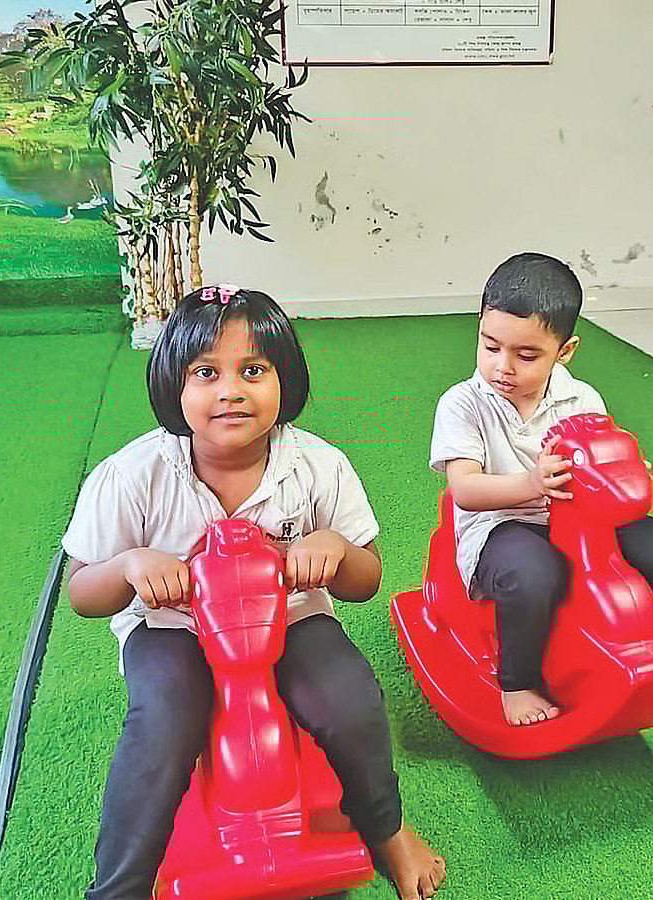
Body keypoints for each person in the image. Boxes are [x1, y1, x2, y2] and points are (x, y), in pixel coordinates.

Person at [63, 284, 446, 899]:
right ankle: (120, 887)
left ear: (283, 379)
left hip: (292, 618)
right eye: (206, 373)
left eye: (254, 370)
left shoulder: (319, 466)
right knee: (162, 722)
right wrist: (131, 566)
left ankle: (389, 829)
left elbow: (367, 580)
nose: (231, 391)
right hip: (174, 628)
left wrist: (337, 551)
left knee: (352, 704)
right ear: (173, 386)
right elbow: (83, 591)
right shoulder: (133, 474)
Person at [429, 253, 653, 726]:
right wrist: (531, 483)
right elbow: (464, 490)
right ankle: (518, 681)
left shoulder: (581, 399)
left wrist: (625, 472)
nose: (503, 367)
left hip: (575, 522)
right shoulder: (463, 403)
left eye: (526, 355)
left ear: (565, 351)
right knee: (533, 571)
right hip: (499, 524)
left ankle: (593, 634)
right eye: (490, 346)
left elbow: (600, 463)